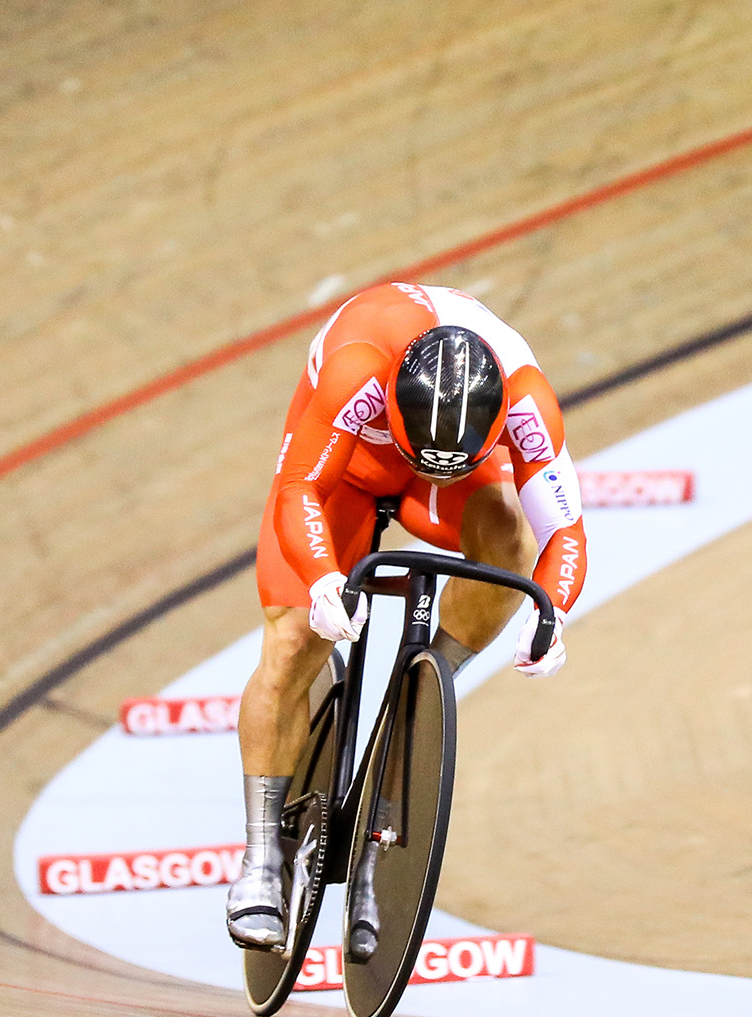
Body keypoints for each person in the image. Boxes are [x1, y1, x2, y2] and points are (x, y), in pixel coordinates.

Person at [227, 281, 588, 955]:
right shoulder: (356, 369)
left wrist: (554, 613)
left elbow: (565, 533)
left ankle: (428, 682)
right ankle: (260, 858)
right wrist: (323, 579)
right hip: (350, 460)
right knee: (291, 643)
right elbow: (302, 487)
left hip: (451, 477)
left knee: (508, 537)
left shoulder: (526, 395)